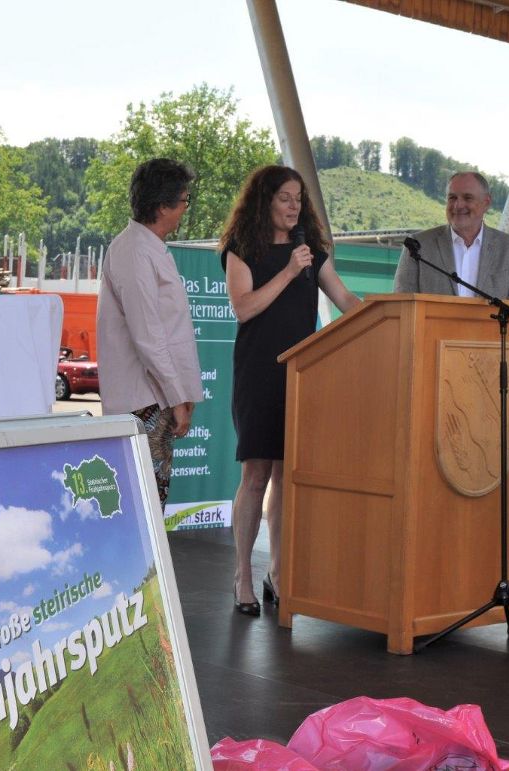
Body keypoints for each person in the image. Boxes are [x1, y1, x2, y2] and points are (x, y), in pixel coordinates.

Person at [220, 165, 361, 616]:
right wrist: (286, 272)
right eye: (285, 197)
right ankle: (242, 573)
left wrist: (384, 319)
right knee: (256, 474)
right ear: (264, 200)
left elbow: (345, 300)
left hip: (301, 376)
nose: (294, 206)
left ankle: (277, 574)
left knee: (286, 479)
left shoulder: (311, 253)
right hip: (258, 373)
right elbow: (244, 309)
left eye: (298, 198)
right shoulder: (241, 250)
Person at [97, 158, 203, 508]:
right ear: (162, 206)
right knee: (140, 506)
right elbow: (148, 336)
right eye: (184, 201)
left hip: (152, 397)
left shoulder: (148, 247)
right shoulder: (134, 250)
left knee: (149, 503)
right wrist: (176, 396)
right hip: (141, 401)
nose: (185, 210)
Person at [393, 171, 509, 300]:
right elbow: (402, 305)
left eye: (467, 198)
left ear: (486, 203)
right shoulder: (418, 246)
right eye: (452, 198)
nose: (458, 205)